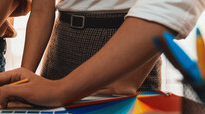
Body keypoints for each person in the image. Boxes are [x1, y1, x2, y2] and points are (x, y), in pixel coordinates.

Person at [0, 0, 205, 114]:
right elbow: (43, 7)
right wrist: (23, 78)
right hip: (64, 38)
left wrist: (134, 71)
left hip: (130, 39)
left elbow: (168, 5)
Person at [22, 0, 163, 95]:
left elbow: (168, 8)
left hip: (131, 41)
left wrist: (134, 76)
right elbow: (41, 10)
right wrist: (23, 79)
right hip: (63, 44)